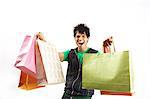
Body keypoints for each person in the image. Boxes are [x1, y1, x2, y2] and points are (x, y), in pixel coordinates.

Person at [37, 24, 112, 99]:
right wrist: (43, 41)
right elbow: (53, 56)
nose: (80, 38)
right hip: (68, 95)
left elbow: (107, 64)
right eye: (78, 36)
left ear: (87, 38)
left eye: (83, 36)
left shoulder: (95, 54)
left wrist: (106, 47)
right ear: (75, 38)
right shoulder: (70, 53)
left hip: (84, 96)